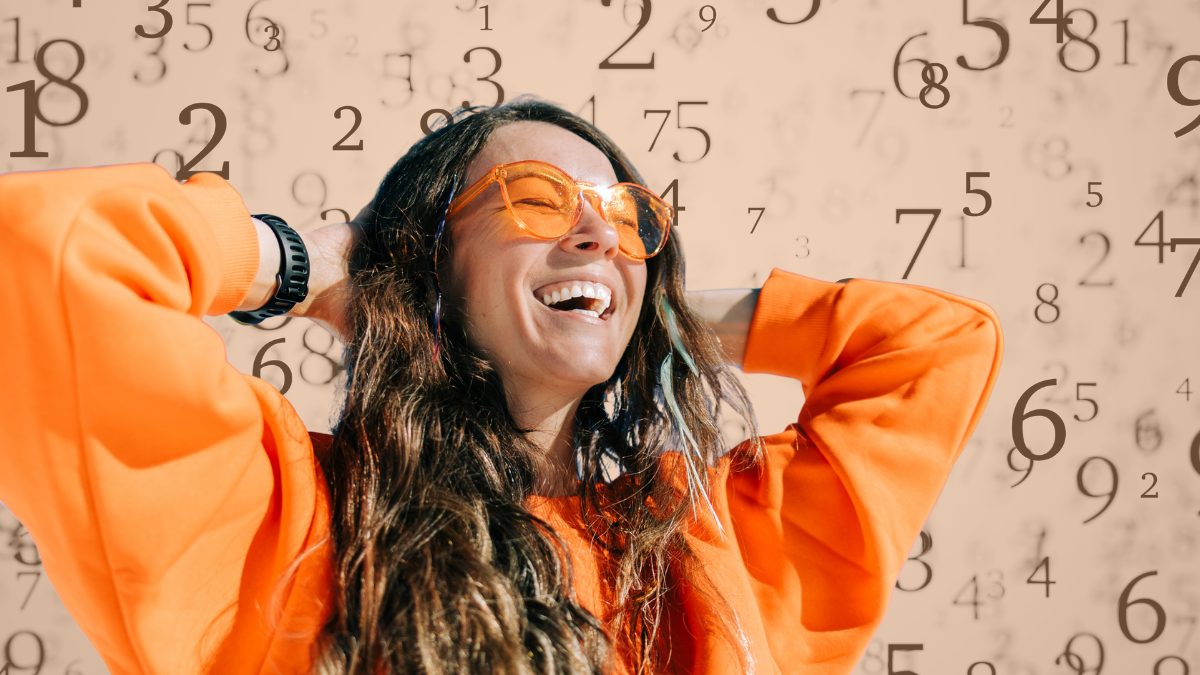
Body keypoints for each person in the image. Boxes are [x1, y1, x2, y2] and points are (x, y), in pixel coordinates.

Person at [0, 98, 1004, 675]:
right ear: (432, 266)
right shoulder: (277, 523)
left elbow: (937, 352)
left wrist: (653, 310)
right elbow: (39, 253)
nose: (600, 233)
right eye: (537, 200)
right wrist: (319, 272)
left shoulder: (718, 550)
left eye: (628, 220)